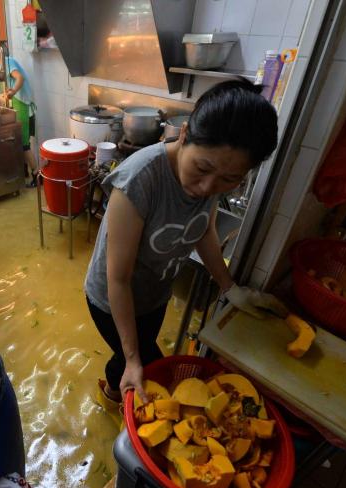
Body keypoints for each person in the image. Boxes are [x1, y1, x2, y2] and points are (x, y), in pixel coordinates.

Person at [84, 80, 288, 408]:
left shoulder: (215, 173)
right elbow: (117, 279)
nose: (208, 187)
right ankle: (118, 394)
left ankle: (110, 391)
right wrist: (135, 359)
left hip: (154, 295)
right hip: (112, 300)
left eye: (229, 179)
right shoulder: (138, 182)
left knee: (130, 356)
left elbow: (203, 230)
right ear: (184, 133)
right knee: (148, 368)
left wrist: (229, 287)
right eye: (202, 168)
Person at [0, 48, 37, 181]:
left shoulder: (7, 61)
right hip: (18, 105)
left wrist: (12, 92)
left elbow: (19, 78)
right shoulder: (4, 65)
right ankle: (26, 172)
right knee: (20, 142)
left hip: (22, 105)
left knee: (24, 144)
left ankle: (37, 175)